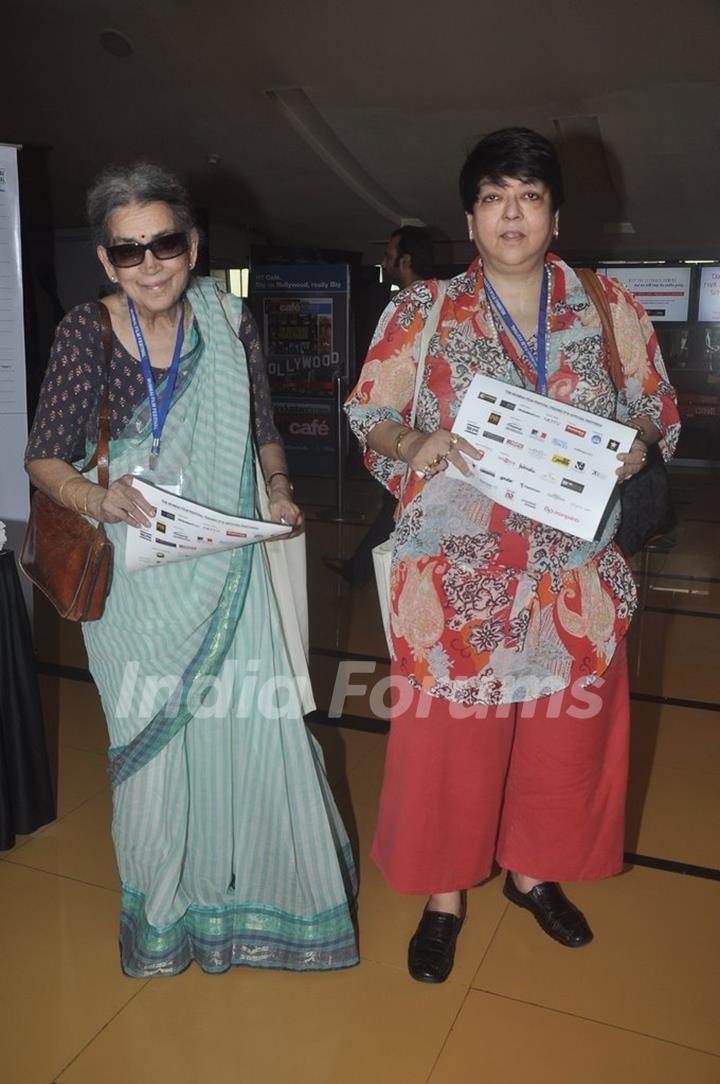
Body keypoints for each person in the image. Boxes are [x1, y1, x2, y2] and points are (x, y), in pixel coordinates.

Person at [345, 128, 679, 983]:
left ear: (554, 211)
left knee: (561, 744)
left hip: (573, 577)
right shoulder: (423, 312)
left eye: (528, 196)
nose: (512, 214)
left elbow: (655, 403)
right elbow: (366, 412)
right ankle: (444, 896)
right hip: (458, 579)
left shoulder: (608, 305)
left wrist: (638, 442)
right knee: (450, 749)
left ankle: (534, 875)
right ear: (471, 216)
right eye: (494, 197)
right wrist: (411, 438)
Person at [25, 163, 358, 977]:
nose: (150, 265)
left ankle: (240, 904)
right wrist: (96, 498)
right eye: (129, 251)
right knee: (149, 749)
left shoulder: (227, 320)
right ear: (107, 261)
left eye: (164, 244)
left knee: (248, 729)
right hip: (137, 582)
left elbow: (262, 426)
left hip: (226, 565)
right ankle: (164, 922)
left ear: (193, 246)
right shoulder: (86, 333)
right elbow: (42, 458)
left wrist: (278, 487)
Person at [324, 225, 434, 588]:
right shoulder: (420, 305)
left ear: (405, 261)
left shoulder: (419, 306)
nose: (383, 262)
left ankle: (366, 573)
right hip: (405, 438)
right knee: (394, 510)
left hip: (416, 440)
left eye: (389, 256)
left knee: (401, 510)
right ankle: (361, 569)